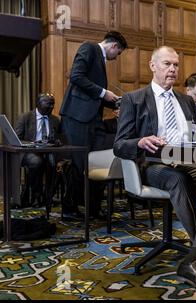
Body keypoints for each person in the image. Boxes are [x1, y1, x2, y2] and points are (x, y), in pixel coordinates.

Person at [113, 46, 196, 292]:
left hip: (190, 161)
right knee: (178, 178)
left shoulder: (185, 100)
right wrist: (139, 142)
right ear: (152, 65)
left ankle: (194, 257)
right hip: (153, 165)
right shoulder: (134, 99)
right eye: (167, 64)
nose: (172, 69)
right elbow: (118, 145)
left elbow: (195, 138)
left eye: (176, 65)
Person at [59, 30, 127, 216]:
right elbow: (76, 76)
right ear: (114, 46)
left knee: (101, 159)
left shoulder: (100, 57)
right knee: (79, 164)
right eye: (118, 53)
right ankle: (69, 208)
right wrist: (103, 93)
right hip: (77, 117)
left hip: (92, 120)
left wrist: (117, 102)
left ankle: (93, 208)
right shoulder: (89, 47)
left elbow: (94, 93)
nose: (117, 57)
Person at [14, 93, 61, 207]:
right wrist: (33, 144)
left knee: (55, 163)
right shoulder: (25, 117)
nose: (51, 107)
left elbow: (59, 138)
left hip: (48, 151)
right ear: (38, 104)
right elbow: (16, 138)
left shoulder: (55, 120)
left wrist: (57, 142)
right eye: (48, 104)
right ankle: (35, 196)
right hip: (28, 152)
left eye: (53, 104)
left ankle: (48, 196)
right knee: (36, 162)